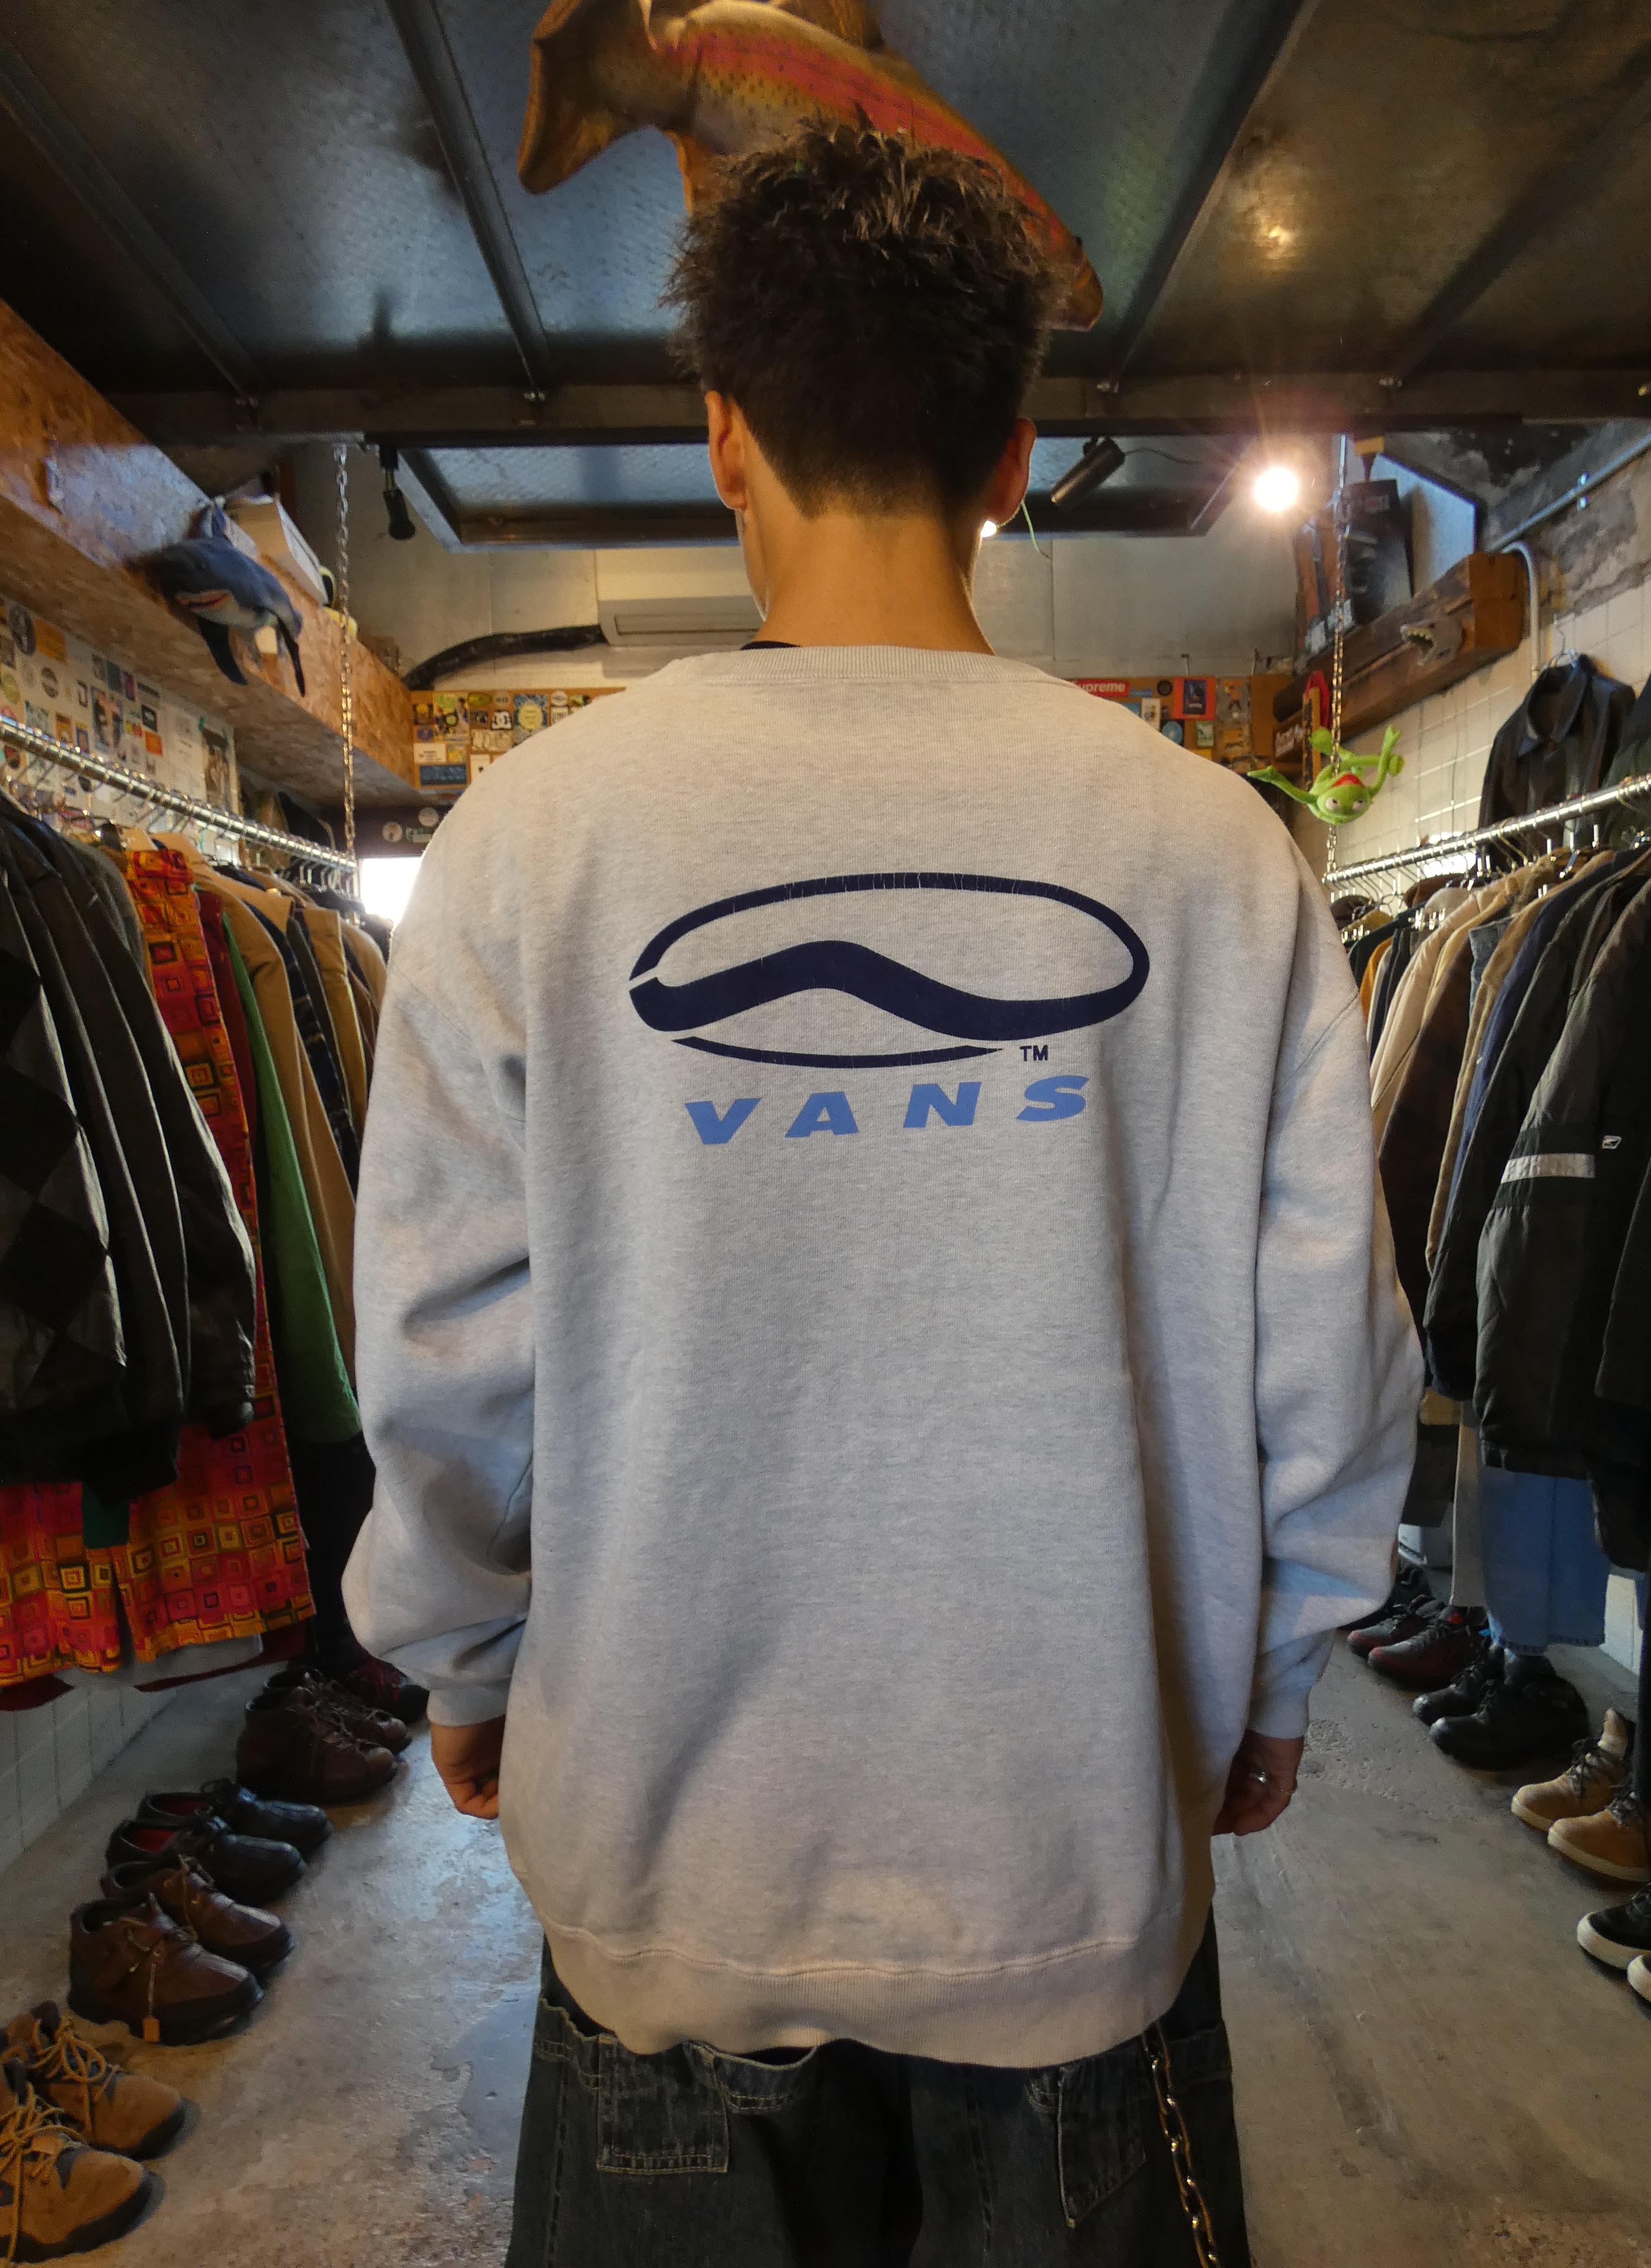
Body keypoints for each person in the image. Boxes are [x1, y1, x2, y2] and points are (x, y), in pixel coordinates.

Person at [346, 122, 1420, 2268]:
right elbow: (1330, 1352)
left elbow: (447, 1355)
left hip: (667, 1877)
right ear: (1013, 454)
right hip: (1074, 1853)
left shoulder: (529, 845)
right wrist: (1282, 1673)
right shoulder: (1217, 855)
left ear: (723, 435)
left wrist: (459, 1660)